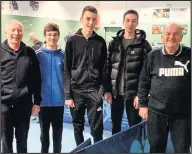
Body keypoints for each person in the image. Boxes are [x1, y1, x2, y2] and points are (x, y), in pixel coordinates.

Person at [138, 23, 191, 153]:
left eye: (175, 34)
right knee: (156, 147)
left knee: (182, 148)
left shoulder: (189, 54)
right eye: (168, 34)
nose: (171, 37)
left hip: (182, 114)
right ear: (162, 37)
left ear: (181, 37)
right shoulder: (152, 56)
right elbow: (144, 82)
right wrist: (143, 105)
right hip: (156, 112)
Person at [64, 5, 112, 146]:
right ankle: (81, 150)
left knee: (97, 128)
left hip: (94, 91)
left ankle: (97, 150)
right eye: (88, 19)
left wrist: (104, 90)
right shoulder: (72, 41)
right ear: (81, 19)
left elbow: (105, 69)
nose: (91, 22)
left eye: (94, 19)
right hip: (76, 91)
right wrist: (67, 95)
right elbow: (66, 69)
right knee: (77, 125)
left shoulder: (100, 42)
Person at [108, 9, 152, 135]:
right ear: (123, 22)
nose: (130, 23)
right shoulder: (114, 43)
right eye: (127, 20)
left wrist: (140, 95)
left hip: (134, 95)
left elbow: (147, 73)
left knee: (135, 128)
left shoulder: (144, 45)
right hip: (116, 94)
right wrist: (108, 89)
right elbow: (108, 67)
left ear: (137, 23)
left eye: (134, 21)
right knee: (115, 126)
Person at [1, 19, 41, 153]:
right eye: (13, 30)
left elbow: (36, 79)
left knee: (22, 141)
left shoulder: (29, 53)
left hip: (23, 105)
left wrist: (37, 102)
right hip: (4, 106)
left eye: (19, 30)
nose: (16, 33)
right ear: (6, 32)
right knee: (6, 141)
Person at [35, 23, 64, 153]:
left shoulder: (63, 55)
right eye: (49, 35)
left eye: (55, 35)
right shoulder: (37, 55)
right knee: (44, 137)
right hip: (43, 102)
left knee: (58, 137)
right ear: (45, 36)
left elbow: (68, 77)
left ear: (58, 36)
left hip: (59, 103)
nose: (52, 37)